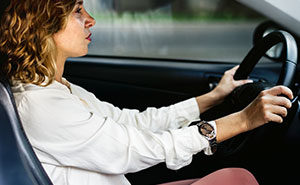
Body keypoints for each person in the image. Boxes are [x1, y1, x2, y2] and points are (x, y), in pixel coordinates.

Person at [0, 0, 293, 185]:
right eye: (77, 10)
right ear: (41, 25)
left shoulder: (57, 88)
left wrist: (213, 98)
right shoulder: (41, 105)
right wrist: (241, 121)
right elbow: (134, 150)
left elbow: (133, 123)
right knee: (238, 180)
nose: (91, 19)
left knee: (236, 178)